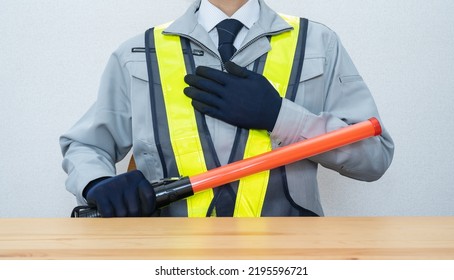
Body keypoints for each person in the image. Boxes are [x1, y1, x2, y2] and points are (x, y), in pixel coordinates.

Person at [60, 0, 394, 217]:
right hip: (171, 258)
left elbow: (374, 157)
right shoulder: (138, 52)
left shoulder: (317, 42)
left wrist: (282, 117)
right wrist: (97, 181)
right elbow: (86, 146)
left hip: (289, 257)